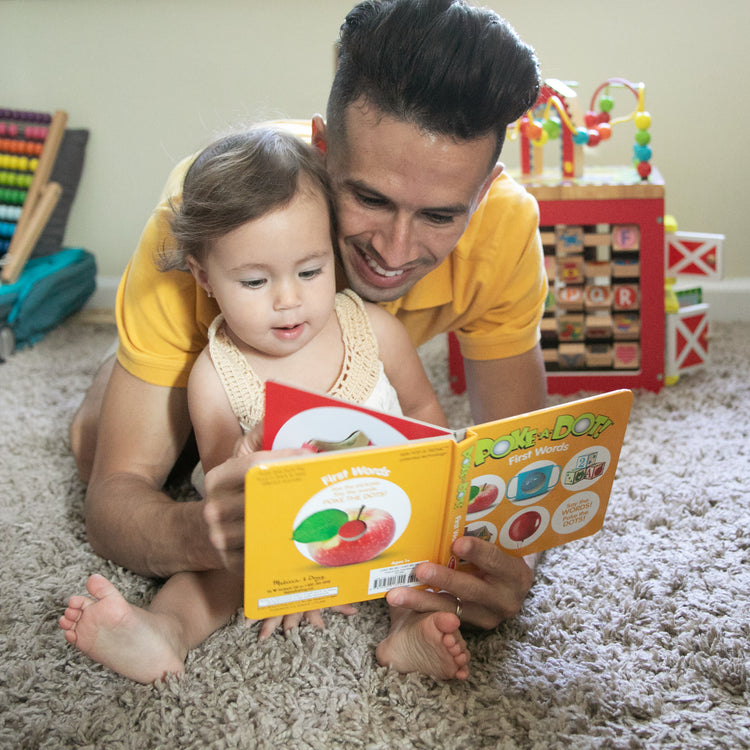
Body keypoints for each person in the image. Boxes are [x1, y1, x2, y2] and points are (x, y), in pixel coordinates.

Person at [70, 0, 547, 636]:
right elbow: (113, 504)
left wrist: (508, 565)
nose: (395, 252)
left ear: (482, 192)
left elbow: (522, 467)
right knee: (92, 439)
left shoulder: (507, 226)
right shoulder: (214, 216)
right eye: (370, 198)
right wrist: (204, 534)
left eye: (439, 216)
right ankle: (128, 365)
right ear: (323, 151)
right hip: (221, 368)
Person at [60, 127, 471, 683]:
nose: (288, 299)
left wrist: (444, 487)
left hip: (385, 509)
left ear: (334, 252)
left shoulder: (374, 330)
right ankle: (165, 630)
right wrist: (284, 570)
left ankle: (410, 635)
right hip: (279, 527)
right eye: (254, 280)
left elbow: (425, 413)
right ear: (205, 277)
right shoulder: (214, 374)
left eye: (310, 270)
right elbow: (226, 482)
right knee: (221, 568)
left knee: (437, 564)